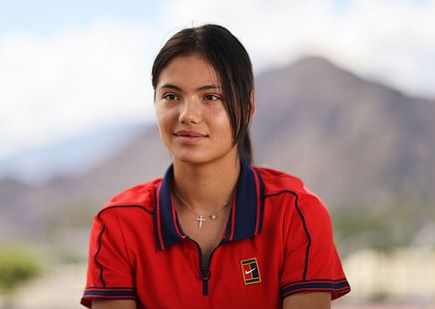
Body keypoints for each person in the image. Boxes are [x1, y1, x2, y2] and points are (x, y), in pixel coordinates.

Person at [81, 24, 350, 309]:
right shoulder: (118, 223)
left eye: (211, 97)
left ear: (247, 107)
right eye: (171, 96)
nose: (188, 115)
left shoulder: (296, 214)